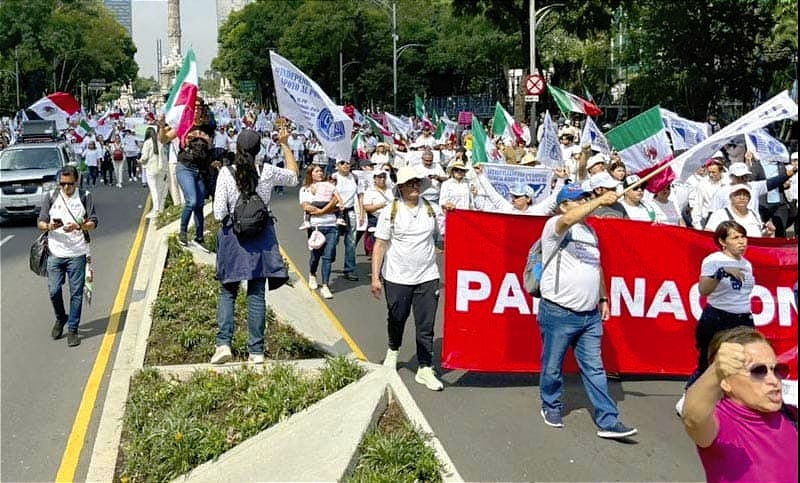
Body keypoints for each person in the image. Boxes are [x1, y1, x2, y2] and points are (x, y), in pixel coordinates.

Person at [537, 183, 638, 439]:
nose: (583, 202)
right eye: (578, 200)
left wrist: (603, 296)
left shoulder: (591, 232)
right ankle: (551, 405)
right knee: (552, 366)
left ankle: (608, 420)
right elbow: (571, 218)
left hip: (589, 315)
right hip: (559, 312)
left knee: (595, 368)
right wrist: (600, 201)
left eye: (585, 198)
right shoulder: (556, 226)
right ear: (563, 205)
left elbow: (596, 266)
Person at [210, 128, 299, 364]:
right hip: (261, 237)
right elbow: (293, 176)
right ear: (259, 149)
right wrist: (285, 144)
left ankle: (223, 344)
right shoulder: (267, 171)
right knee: (256, 293)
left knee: (228, 291)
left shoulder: (226, 173)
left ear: (236, 148)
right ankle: (256, 351)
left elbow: (219, 213)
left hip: (233, 238)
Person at [681, 326, 797, 483]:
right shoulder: (722, 422)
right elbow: (693, 419)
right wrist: (716, 371)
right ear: (726, 382)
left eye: (777, 369)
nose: (773, 380)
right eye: (759, 371)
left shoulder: (788, 413)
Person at [371, 166, 445, 391]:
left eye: (417, 183)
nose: (414, 186)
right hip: (397, 277)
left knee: (426, 325)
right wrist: (375, 277)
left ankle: (425, 367)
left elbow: (450, 234)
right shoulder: (390, 211)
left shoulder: (433, 209)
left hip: (428, 276)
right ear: (401, 187)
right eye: (410, 183)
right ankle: (393, 351)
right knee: (397, 317)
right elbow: (380, 245)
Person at [37, 165, 99, 347]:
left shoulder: (84, 196)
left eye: (69, 184)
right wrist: (49, 227)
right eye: (62, 184)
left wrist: (80, 226)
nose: (65, 188)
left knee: (76, 293)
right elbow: (40, 221)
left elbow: (94, 221)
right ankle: (60, 318)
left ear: (76, 182)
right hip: (55, 253)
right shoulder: (51, 197)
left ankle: (73, 329)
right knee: (54, 291)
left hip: (77, 253)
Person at [693, 221, 755, 381]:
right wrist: (721, 272)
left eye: (743, 237)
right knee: (709, 365)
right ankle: (691, 398)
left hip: (743, 318)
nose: (741, 242)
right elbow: (703, 290)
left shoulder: (746, 264)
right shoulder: (713, 260)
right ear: (722, 241)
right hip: (718, 318)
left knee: (743, 366)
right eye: (735, 238)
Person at [160, 97, 215, 250]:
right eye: (194, 106)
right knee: (191, 201)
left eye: (199, 107)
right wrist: (161, 126)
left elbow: (210, 150)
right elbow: (164, 139)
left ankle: (199, 237)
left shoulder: (208, 128)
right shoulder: (183, 126)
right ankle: (182, 232)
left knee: (199, 204)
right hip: (185, 167)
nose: (196, 109)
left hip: (201, 170)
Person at [300, 165, 341, 299]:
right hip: (315, 227)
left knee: (328, 256)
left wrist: (322, 211)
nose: (320, 173)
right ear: (310, 174)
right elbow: (307, 207)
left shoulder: (329, 187)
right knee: (315, 256)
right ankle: (312, 274)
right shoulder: (305, 189)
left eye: (321, 171)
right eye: (317, 171)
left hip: (331, 225)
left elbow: (337, 204)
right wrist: (324, 209)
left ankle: (325, 285)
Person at [332, 158, 364, 281]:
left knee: (351, 243)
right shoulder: (334, 177)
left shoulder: (355, 177)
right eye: (342, 163)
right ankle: (328, 260)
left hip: (350, 212)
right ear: (337, 165)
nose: (346, 165)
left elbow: (360, 196)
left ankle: (349, 269)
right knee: (333, 241)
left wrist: (361, 214)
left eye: (348, 163)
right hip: (336, 212)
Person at [705, 185, 773, 237]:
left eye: (745, 195)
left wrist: (767, 233)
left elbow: (760, 237)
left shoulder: (754, 215)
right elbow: (707, 236)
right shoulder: (719, 214)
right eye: (738, 195)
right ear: (731, 197)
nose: (742, 198)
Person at [361, 170, 394, 258]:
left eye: (384, 177)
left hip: (391, 219)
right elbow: (367, 207)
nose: (382, 179)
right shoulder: (370, 191)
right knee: (379, 244)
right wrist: (380, 206)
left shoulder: (391, 190)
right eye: (379, 177)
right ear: (375, 178)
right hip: (376, 219)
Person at [139, 126, 166, 219]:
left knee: (153, 190)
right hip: (161, 168)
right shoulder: (159, 142)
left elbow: (144, 157)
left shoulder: (147, 143)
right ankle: (159, 208)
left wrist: (140, 161)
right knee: (159, 189)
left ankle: (156, 210)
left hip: (151, 168)